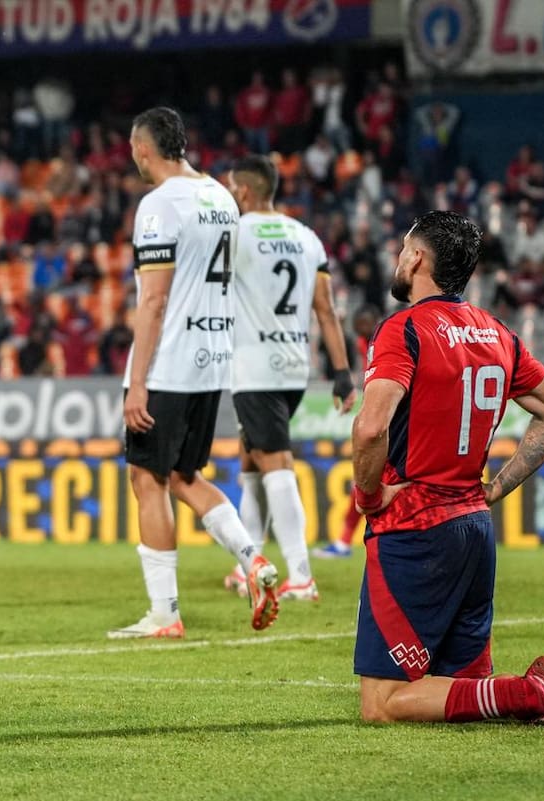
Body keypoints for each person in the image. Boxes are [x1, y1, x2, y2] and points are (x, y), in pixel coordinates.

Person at [351, 210, 544, 729]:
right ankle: (528, 694)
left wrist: (370, 500)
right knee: (464, 693)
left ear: (418, 258)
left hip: (417, 526)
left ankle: (534, 691)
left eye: (403, 249)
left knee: (383, 704)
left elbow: (371, 429)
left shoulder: (403, 329)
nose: (398, 259)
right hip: (474, 529)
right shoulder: (496, 332)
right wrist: (497, 488)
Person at [109, 107, 278, 641]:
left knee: (148, 479)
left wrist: (137, 383)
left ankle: (165, 614)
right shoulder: (219, 195)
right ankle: (253, 558)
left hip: (170, 366)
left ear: (142, 149)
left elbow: (154, 300)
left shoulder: (160, 205)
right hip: (213, 361)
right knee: (184, 475)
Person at [218, 155, 357, 603]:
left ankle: (300, 574)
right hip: (294, 366)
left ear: (242, 191)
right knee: (251, 460)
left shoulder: (235, 235)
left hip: (253, 366)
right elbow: (326, 308)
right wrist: (340, 372)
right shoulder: (306, 237)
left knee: (274, 461)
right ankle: (248, 566)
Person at [315, 305, 382, 559]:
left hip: (389, 421)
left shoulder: (384, 340)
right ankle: (344, 542)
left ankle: (347, 542)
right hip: (379, 416)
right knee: (362, 482)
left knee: (367, 481)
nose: (362, 329)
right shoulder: (364, 344)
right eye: (359, 325)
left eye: (366, 323)